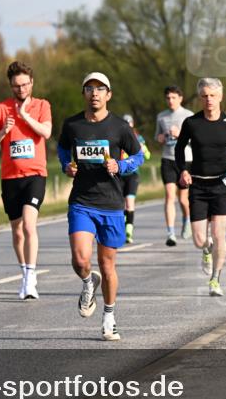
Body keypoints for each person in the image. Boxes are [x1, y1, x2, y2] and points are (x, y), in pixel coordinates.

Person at [58, 72, 143, 341]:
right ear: (83, 93)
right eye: (89, 88)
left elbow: (139, 156)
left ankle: (109, 317)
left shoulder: (119, 127)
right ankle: (86, 281)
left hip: (111, 204)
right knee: (81, 259)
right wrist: (65, 165)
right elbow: (61, 148)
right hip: (82, 202)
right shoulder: (72, 125)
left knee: (107, 267)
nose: (94, 93)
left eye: (100, 89)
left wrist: (121, 165)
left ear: (109, 95)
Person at [0, 61, 53, 299]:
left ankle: (31, 278)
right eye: (16, 86)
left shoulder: (42, 105)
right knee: (17, 232)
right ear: (11, 86)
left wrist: (25, 116)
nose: (21, 89)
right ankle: (24, 273)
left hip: (35, 174)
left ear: (32, 83)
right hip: (10, 177)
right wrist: (3, 131)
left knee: (29, 224)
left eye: (25, 84)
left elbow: (46, 132)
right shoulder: (2, 109)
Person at [175, 78, 226, 297]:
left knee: (218, 234)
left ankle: (215, 279)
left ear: (220, 97)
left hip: (222, 184)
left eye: (213, 95)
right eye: (205, 96)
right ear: (200, 97)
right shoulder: (191, 123)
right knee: (199, 240)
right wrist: (183, 171)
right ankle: (206, 251)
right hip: (198, 183)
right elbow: (179, 150)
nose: (209, 100)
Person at [155, 85, 193, 246]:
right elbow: (156, 136)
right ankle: (170, 233)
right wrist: (162, 137)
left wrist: (181, 135)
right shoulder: (161, 117)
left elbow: (197, 139)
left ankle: (187, 219)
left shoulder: (189, 116)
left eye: (173, 98)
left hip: (185, 160)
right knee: (170, 195)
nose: (170, 101)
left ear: (180, 98)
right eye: (168, 98)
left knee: (183, 199)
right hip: (168, 159)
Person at [118, 114, 151, 244]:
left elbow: (147, 156)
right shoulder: (117, 136)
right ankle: (122, 227)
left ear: (132, 124)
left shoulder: (139, 138)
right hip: (119, 174)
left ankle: (129, 231)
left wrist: (143, 150)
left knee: (129, 202)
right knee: (120, 204)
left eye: (129, 123)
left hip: (132, 175)